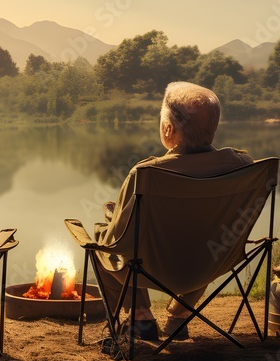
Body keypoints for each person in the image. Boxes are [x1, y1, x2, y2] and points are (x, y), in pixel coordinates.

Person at [93, 81, 253, 341]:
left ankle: (141, 318)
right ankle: (178, 320)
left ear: (168, 129)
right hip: (210, 263)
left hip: (153, 269)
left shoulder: (148, 173)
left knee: (103, 242)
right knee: (208, 241)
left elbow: (120, 241)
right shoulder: (243, 166)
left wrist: (110, 219)